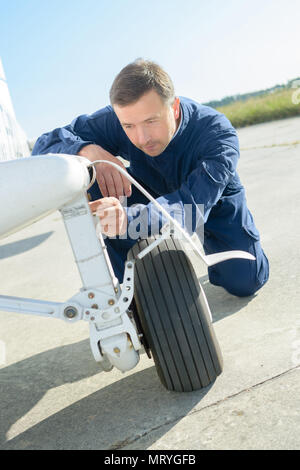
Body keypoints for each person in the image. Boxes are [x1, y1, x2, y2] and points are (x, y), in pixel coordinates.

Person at [32, 58, 269, 296]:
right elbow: (43, 146)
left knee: (245, 281)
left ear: (174, 107)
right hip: (149, 188)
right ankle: (126, 293)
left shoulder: (217, 134)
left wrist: (128, 219)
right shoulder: (119, 119)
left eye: (151, 121)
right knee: (94, 173)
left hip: (210, 202)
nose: (142, 137)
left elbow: (189, 209)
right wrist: (88, 151)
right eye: (129, 126)